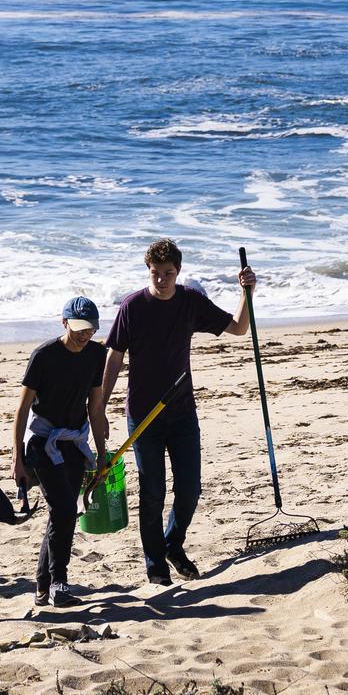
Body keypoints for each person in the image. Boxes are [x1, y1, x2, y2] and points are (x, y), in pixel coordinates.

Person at [99, 240, 255, 586]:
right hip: (143, 415)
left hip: (183, 411)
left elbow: (239, 328)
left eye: (168, 274)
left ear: (178, 272)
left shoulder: (190, 301)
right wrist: (99, 407)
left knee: (190, 490)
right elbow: (114, 358)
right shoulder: (133, 307)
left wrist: (247, 292)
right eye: (156, 274)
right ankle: (155, 564)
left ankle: (173, 543)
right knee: (152, 491)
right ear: (148, 271)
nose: (162, 281)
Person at [11, 296, 111, 607]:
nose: (85, 335)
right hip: (43, 442)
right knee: (66, 511)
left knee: (62, 513)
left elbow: (95, 406)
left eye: (90, 329)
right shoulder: (44, 355)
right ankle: (59, 582)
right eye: (79, 328)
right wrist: (17, 458)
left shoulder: (97, 353)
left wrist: (102, 453)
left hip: (75, 442)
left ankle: (42, 587)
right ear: (64, 322)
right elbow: (22, 408)